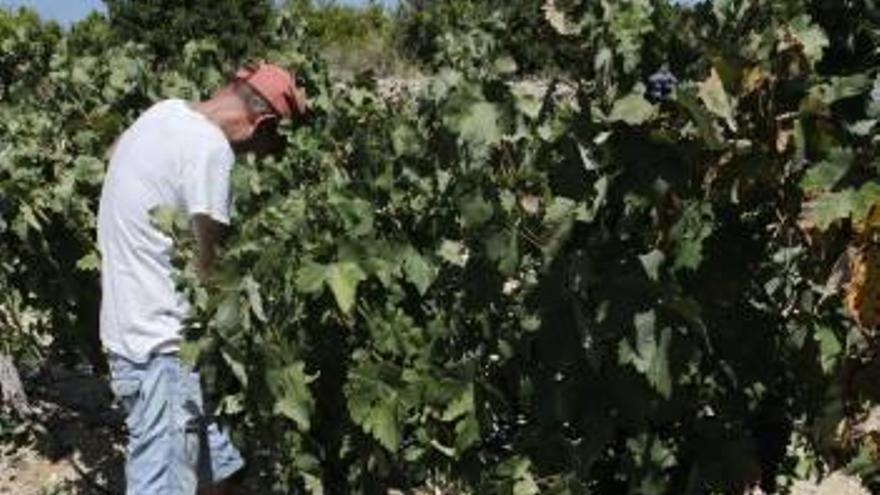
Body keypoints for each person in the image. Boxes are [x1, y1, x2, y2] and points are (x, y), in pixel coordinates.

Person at [97, 62, 307, 495]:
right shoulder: (210, 149)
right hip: (163, 345)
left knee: (219, 468)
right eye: (270, 144)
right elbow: (213, 267)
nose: (263, 157)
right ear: (261, 122)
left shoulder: (164, 112)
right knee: (163, 483)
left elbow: (113, 154)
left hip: (128, 325)